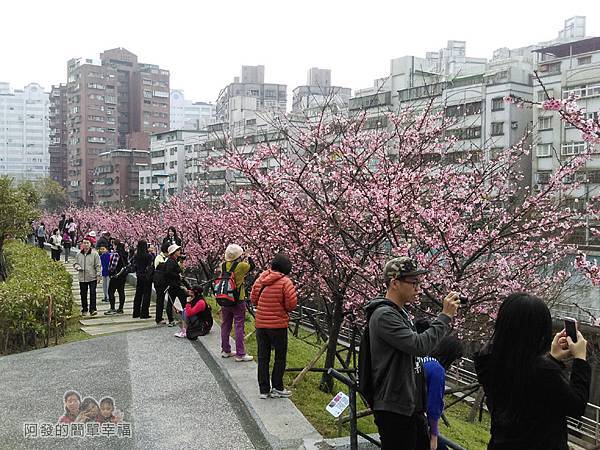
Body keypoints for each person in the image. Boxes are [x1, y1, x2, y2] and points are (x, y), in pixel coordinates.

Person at [474, 292, 590, 450]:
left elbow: (524, 379)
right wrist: (580, 360)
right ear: (540, 331)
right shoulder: (544, 373)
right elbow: (577, 406)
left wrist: (553, 358)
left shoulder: (487, 359)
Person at [365, 257, 459, 450]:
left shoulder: (399, 313)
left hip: (406, 405)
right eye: (413, 283)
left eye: (419, 283)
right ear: (394, 283)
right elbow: (419, 346)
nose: (418, 288)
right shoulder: (384, 315)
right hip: (393, 405)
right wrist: (445, 316)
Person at [251, 253, 297, 399]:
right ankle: (277, 386)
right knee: (279, 356)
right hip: (278, 325)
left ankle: (263, 390)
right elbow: (291, 305)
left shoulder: (261, 279)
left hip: (261, 324)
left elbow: (253, 299)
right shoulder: (285, 282)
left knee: (263, 357)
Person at [422, 335, 464, 450]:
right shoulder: (437, 370)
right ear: (450, 356)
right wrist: (434, 436)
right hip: (416, 419)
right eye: (455, 359)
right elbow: (433, 406)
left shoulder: (424, 359)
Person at [218, 244, 255, 362]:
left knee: (225, 325)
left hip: (224, 299)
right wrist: (248, 256)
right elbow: (252, 267)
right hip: (238, 300)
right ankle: (240, 354)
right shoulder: (242, 266)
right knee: (239, 325)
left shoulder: (222, 265)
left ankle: (225, 350)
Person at [164, 244, 192, 338]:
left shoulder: (173, 261)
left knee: (173, 302)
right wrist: (178, 276)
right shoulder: (171, 262)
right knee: (184, 303)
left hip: (174, 286)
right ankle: (186, 320)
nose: (179, 252)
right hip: (175, 286)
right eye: (178, 250)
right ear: (173, 252)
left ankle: (174, 320)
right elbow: (168, 272)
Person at [73, 238, 102, 316]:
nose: (85, 244)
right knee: (83, 293)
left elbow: (98, 265)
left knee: (93, 293)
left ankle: (93, 309)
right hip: (82, 277)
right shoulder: (79, 254)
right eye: (84, 243)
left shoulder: (94, 254)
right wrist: (77, 267)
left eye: (87, 243)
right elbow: (75, 263)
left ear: (90, 244)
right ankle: (84, 309)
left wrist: (98, 275)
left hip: (92, 276)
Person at [105, 241, 128, 315]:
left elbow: (113, 266)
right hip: (122, 276)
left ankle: (112, 308)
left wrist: (109, 270)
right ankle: (121, 308)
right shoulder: (125, 253)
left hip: (115, 276)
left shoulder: (116, 254)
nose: (113, 247)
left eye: (114, 245)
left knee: (111, 291)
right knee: (121, 292)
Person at [132, 240, 154, 319]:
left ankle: (136, 312)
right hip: (146, 277)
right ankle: (144, 313)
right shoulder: (148, 256)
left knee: (138, 294)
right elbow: (151, 265)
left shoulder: (136, 255)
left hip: (139, 276)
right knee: (146, 295)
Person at [153, 242, 173, 325]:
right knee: (160, 300)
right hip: (159, 283)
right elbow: (163, 269)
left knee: (161, 300)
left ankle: (160, 317)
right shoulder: (159, 258)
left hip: (164, 282)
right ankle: (158, 318)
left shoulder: (165, 257)